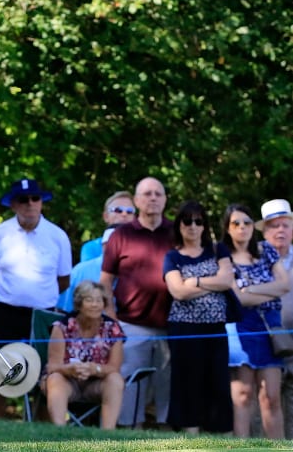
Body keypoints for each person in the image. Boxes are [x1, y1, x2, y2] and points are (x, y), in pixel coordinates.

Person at [0, 177, 72, 419]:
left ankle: (40, 429)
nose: (30, 204)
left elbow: (63, 280)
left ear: (42, 202)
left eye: (35, 198)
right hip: (4, 311)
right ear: (13, 204)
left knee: (44, 373)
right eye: (23, 200)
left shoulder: (58, 236)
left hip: (43, 314)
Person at [100, 176, 174, 428]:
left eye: (158, 194)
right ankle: (131, 430)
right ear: (137, 200)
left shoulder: (176, 232)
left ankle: (166, 430)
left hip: (171, 324)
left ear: (165, 200)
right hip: (131, 324)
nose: (153, 198)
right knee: (131, 383)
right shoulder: (121, 236)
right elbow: (105, 282)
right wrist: (112, 321)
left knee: (168, 382)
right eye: (147, 194)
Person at [163, 200, 234, 434]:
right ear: (179, 225)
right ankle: (190, 436)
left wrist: (195, 281)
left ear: (204, 225)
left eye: (198, 221)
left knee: (219, 384)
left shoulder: (218, 250)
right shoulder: (172, 257)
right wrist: (211, 285)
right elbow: (178, 292)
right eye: (187, 220)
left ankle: (221, 435)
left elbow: (226, 281)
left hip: (215, 328)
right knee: (187, 383)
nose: (193, 226)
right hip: (184, 329)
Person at [223, 203, 289, 438]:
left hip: (270, 326)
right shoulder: (224, 258)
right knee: (243, 395)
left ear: (254, 226)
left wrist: (250, 288)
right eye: (236, 223)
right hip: (241, 327)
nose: (242, 227)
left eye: (247, 222)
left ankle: (277, 447)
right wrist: (266, 291)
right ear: (228, 228)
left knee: (271, 395)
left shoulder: (267, 251)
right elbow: (237, 299)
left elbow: (286, 285)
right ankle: (242, 445)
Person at [44, 280, 126, 429]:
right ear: (79, 303)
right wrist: (69, 369)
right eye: (89, 300)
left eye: (99, 300)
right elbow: (52, 366)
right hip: (68, 382)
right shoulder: (62, 326)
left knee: (115, 379)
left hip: (96, 384)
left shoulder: (113, 328)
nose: (95, 305)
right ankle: (59, 431)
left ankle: (107, 434)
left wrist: (96, 369)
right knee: (54, 378)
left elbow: (114, 367)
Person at [260, 200, 293, 438]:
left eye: (285, 225)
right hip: (261, 340)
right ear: (264, 231)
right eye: (274, 226)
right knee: (265, 399)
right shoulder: (253, 258)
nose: (280, 230)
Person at [57, 226, 120, 313]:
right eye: (111, 244)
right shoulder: (80, 271)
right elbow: (63, 309)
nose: (118, 249)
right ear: (103, 245)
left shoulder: (139, 272)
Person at [80, 191, 136, 262]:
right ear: (106, 216)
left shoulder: (144, 245)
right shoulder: (91, 248)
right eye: (118, 210)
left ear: (134, 218)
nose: (124, 214)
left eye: (129, 211)